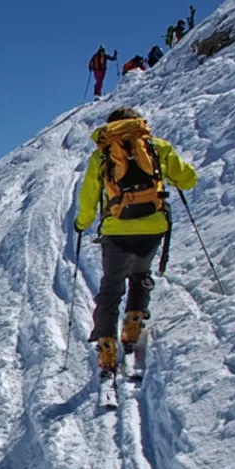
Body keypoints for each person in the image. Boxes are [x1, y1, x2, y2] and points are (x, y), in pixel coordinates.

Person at [73, 106, 199, 375]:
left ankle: (107, 347)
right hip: (153, 226)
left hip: (116, 230)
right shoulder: (156, 147)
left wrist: (82, 223)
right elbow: (187, 180)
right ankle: (133, 323)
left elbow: (89, 196)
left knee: (111, 286)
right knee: (141, 272)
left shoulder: (102, 154)